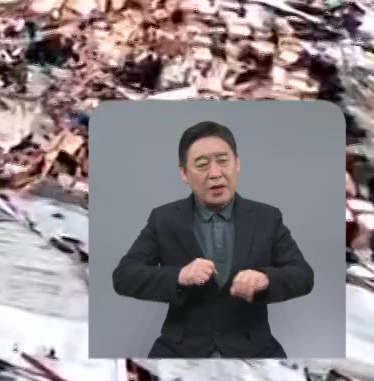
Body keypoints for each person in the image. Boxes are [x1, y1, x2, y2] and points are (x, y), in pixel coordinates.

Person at [111, 121, 316, 358]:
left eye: (223, 161)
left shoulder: (267, 218)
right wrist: (180, 276)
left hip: (253, 348)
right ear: (184, 173)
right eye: (201, 165)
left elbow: (303, 275)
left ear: (237, 163)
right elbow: (124, 276)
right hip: (180, 349)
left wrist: (265, 279)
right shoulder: (164, 219)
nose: (215, 173)